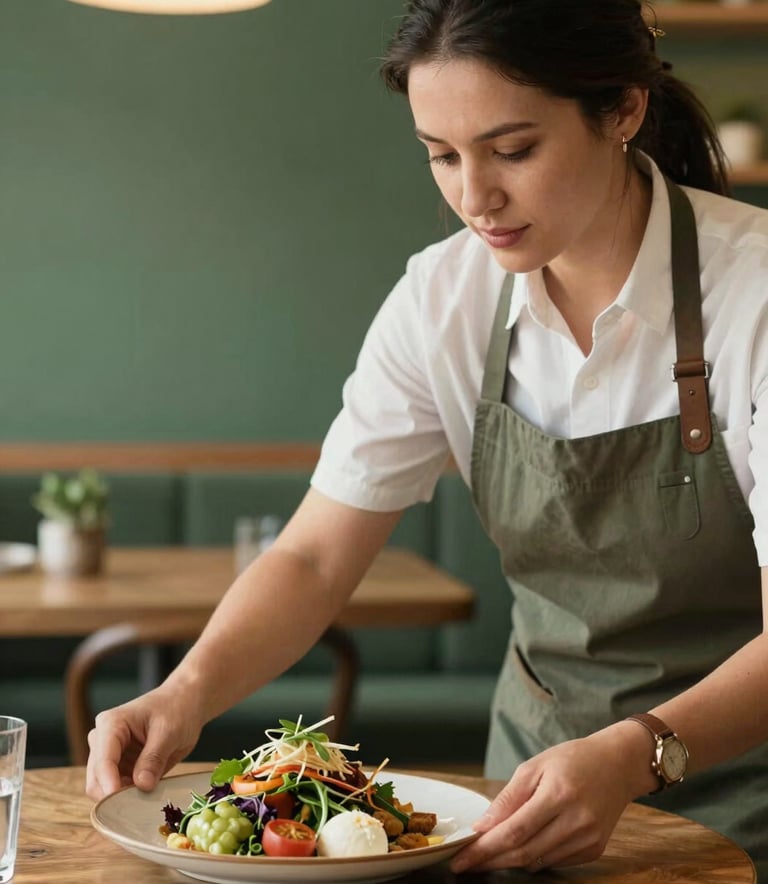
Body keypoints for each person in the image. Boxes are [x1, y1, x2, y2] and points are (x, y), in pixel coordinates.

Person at [86, 0, 768, 877]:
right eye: (442, 156)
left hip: (745, 789)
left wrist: (633, 755)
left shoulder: (751, 295)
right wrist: (184, 692)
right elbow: (315, 560)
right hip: (525, 789)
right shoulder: (441, 301)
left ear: (624, 109)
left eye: (513, 149)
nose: (473, 197)